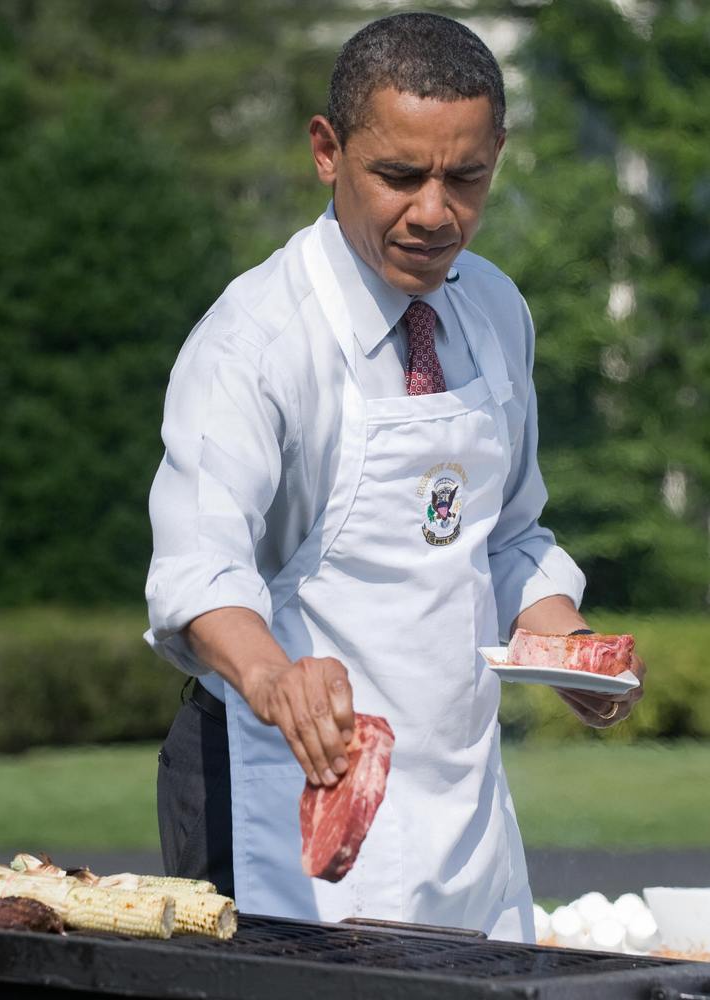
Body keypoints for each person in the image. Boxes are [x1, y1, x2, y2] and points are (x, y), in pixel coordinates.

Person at [144, 11, 645, 942]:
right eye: (400, 176)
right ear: (328, 151)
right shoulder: (254, 342)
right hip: (284, 789)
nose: (434, 211)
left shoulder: (496, 308)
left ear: (498, 151)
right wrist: (274, 679)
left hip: (458, 799)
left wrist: (568, 642)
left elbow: (504, 537)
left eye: (466, 177)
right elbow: (198, 570)